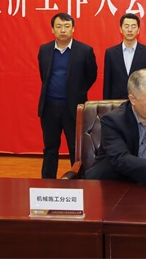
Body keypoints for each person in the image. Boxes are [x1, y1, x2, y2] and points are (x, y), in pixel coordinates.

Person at [37, 12, 98, 179]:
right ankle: (47, 182)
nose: (62, 30)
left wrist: (77, 91)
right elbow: (44, 75)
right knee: (50, 147)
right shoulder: (45, 50)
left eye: (66, 26)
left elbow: (91, 75)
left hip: (73, 107)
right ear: (52, 29)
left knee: (75, 147)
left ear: (73, 29)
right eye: (58, 26)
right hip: (49, 106)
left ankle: (77, 181)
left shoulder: (84, 51)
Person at [103, 13, 146, 99]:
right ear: (121, 29)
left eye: (133, 26)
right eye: (126, 26)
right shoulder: (111, 53)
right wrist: (106, 103)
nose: (130, 30)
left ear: (138, 30)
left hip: (141, 101)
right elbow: (107, 82)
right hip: (117, 101)